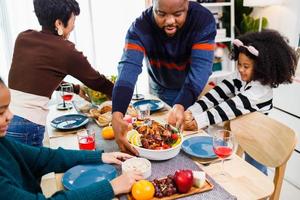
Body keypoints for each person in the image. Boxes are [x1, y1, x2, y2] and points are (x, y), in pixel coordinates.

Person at [0, 77, 143, 200]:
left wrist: (101, 157)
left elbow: (46, 158)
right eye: (1, 112)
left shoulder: (3, 144)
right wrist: (111, 187)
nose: (10, 116)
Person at [183, 30, 297, 174]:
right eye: (239, 64)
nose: (241, 70)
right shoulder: (243, 77)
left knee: (256, 172)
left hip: (259, 140)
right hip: (245, 133)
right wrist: (192, 110)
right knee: (244, 167)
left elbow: (229, 107)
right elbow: (218, 93)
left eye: (246, 66)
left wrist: (198, 121)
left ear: (261, 67)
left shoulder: (260, 91)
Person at [112, 0, 216, 155]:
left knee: (191, 145)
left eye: (177, 14)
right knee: (157, 137)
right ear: (151, 4)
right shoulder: (140, 27)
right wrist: (117, 113)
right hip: (160, 86)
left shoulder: (203, 21)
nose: (169, 21)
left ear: (187, 4)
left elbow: (200, 69)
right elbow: (129, 67)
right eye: (161, 14)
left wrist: (181, 104)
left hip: (191, 88)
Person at [7, 0, 114, 146]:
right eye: (73, 19)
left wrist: (76, 89)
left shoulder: (23, 38)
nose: (74, 25)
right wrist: (120, 96)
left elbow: (41, 79)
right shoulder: (66, 50)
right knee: (30, 168)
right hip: (28, 125)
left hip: (7, 118)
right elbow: (97, 81)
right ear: (58, 23)